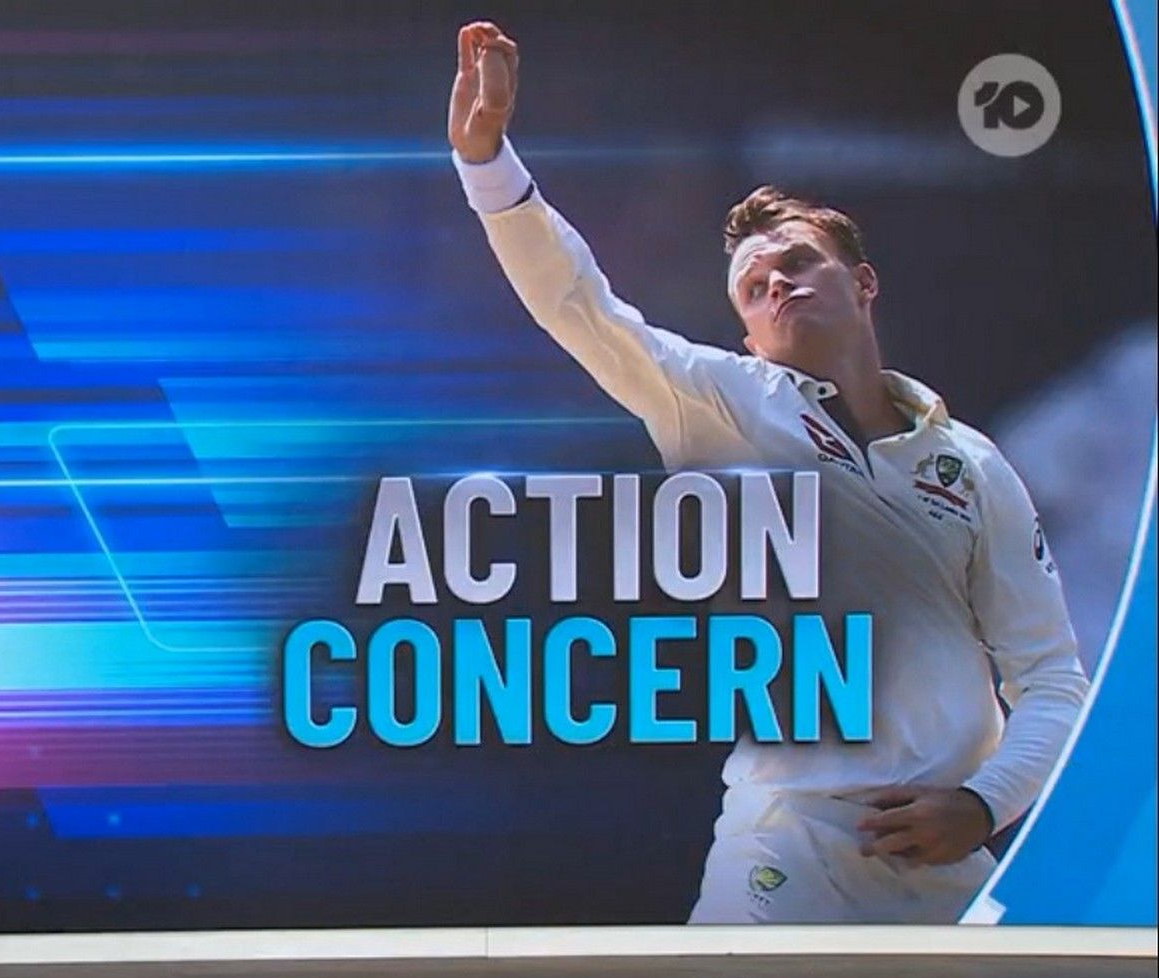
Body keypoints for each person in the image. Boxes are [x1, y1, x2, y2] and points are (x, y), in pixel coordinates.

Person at [445, 21, 1089, 923]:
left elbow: (1052, 676)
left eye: (797, 263)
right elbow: (578, 303)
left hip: (945, 855)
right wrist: (487, 164)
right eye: (754, 286)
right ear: (747, 334)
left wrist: (983, 805)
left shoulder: (971, 461)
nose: (777, 284)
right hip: (784, 848)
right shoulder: (724, 403)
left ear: (863, 284)